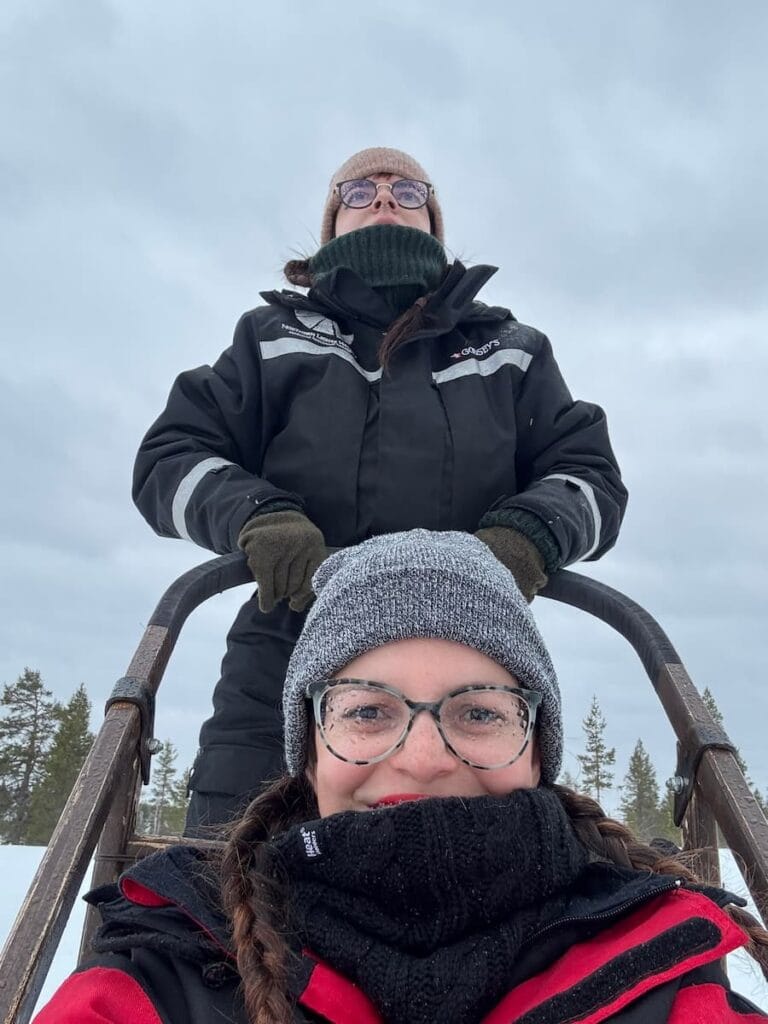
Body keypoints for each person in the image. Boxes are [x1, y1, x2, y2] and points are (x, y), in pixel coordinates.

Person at [35, 531, 768, 1024]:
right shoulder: (168, 967)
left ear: (538, 751)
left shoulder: (661, 965)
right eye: (366, 711)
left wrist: (537, 527)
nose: (422, 760)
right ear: (308, 749)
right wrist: (255, 514)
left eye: (479, 712)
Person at [132, 146, 628, 832]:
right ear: (333, 222)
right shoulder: (270, 339)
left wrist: (528, 536)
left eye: (408, 190)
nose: (386, 198)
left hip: (471, 650)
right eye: (360, 191)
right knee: (230, 863)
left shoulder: (510, 349)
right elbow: (171, 456)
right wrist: (259, 517)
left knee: (484, 862)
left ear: (434, 221)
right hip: (286, 645)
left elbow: (589, 474)